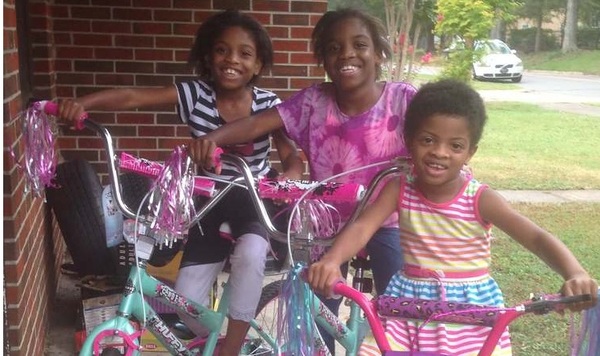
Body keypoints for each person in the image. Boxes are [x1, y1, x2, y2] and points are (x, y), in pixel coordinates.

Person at [56, 9, 304, 356]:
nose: (231, 59)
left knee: (251, 254)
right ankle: (230, 340)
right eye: (222, 50)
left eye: (244, 53)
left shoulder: (267, 104)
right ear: (207, 56)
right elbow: (134, 97)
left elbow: (291, 154)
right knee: (185, 297)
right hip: (207, 201)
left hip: (252, 199)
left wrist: (291, 175)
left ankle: (231, 350)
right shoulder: (196, 95)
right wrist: (83, 104)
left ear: (258, 65)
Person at [307, 79, 599, 355]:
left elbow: (536, 237)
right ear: (409, 140)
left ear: (470, 152)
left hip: (470, 316)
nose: (440, 153)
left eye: (455, 145)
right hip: (407, 309)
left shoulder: (480, 198)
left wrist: (575, 273)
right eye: (428, 140)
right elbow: (362, 227)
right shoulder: (399, 188)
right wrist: (332, 260)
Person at [187, 8, 417, 352]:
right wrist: (214, 139)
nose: (347, 54)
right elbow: (257, 123)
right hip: (328, 223)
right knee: (319, 309)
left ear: (379, 53)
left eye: (359, 45)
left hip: (387, 220)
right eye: (334, 48)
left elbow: (437, 141)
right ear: (322, 58)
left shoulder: (404, 99)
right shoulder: (314, 102)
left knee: (398, 307)